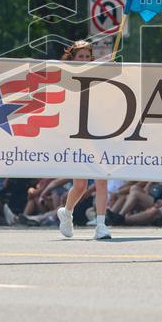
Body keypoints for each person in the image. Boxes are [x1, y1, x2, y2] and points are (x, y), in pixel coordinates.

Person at [56, 40, 112, 240]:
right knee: (80, 185)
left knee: (102, 181)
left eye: (88, 56)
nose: (85, 60)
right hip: (77, 137)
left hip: (100, 135)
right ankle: (67, 213)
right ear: (72, 59)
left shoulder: (100, 78)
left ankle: (101, 225)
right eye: (81, 56)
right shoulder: (65, 79)